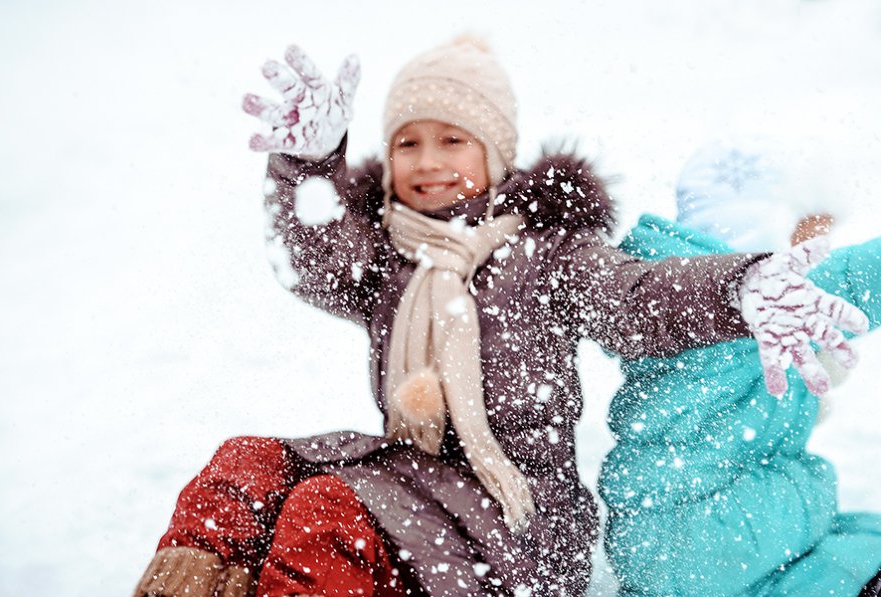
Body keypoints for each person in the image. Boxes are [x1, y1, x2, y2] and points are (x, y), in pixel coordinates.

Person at [134, 40, 867, 597]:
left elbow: (638, 297)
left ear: (495, 153)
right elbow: (311, 257)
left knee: (327, 507)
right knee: (248, 465)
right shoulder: (387, 254)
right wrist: (308, 162)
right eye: (407, 141)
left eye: (452, 139)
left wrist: (737, 286)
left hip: (520, 523)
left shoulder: (549, 254)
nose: (427, 159)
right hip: (415, 478)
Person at [598, 139, 881, 596]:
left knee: (849, 538)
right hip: (718, 528)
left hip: (647, 532)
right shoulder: (772, 296)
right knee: (848, 541)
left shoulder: (664, 290)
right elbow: (862, 275)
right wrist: (811, 486)